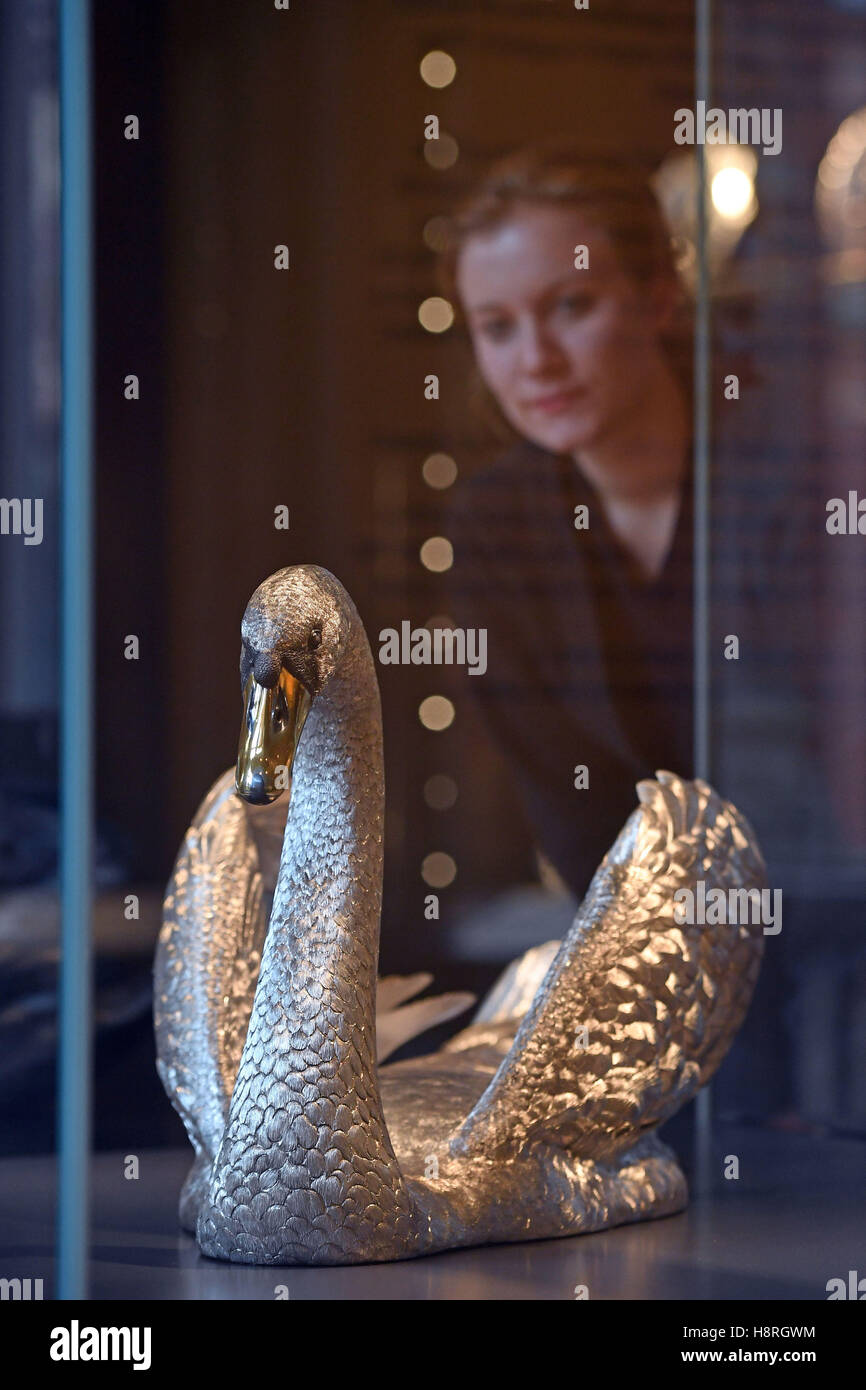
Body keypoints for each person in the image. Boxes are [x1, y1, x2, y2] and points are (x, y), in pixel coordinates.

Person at [442, 143, 696, 899]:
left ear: (658, 295)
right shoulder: (497, 527)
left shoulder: (785, 476)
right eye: (497, 327)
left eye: (571, 306)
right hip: (658, 951)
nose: (537, 361)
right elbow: (573, 814)